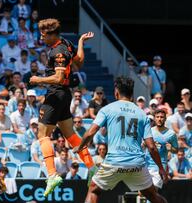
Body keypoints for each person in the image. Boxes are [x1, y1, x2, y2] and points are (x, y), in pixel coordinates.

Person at [73, 76, 168, 203]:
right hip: (136, 164)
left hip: (114, 162)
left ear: (116, 92)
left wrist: (80, 147)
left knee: (94, 190)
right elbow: (151, 146)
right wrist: (161, 168)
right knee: (153, 196)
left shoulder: (107, 109)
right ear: (132, 94)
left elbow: (91, 132)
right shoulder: (142, 114)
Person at [29, 18, 94, 196]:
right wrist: (80, 41)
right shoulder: (67, 43)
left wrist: (38, 80)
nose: (42, 37)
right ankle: (92, 167)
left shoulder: (58, 50)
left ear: (52, 34)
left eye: (44, 35)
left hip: (56, 93)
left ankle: (52, 174)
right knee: (70, 135)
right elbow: (79, 62)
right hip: (65, 94)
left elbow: (58, 78)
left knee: (43, 136)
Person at [145, 109, 178, 190]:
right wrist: (144, 144)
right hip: (146, 165)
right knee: (143, 193)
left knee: (152, 191)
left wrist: (171, 148)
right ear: (154, 118)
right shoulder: (149, 131)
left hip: (160, 167)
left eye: (162, 117)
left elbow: (176, 150)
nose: (159, 119)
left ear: (165, 119)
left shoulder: (171, 134)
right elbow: (142, 145)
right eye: (157, 117)